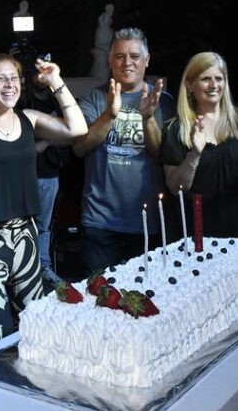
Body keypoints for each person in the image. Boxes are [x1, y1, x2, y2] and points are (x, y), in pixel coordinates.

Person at [0, 52, 88, 351]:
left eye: (14, 78)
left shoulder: (29, 119)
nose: (10, 84)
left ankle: (27, 385)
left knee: (35, 318)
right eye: (0, 78)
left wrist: (55, 81)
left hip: (23, 231)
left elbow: (77, 130)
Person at [72, 27, 175, 272]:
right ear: (109, 60)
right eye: (119, 56)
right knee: (98, 299)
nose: (127, 62)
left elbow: (161, 153)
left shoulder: (165, 102)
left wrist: (148, 117)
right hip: (99, 222)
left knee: (144, 301)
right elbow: (80, 148)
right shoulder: (93, 99)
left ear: (147, 60)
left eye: (134, 56)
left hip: (146, 223)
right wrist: (109, 114)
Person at [160, 51, 238, 240]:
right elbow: (175, 187)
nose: (214, 85)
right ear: (189, 85)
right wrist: (195, 153)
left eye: (219, 78)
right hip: (197, 235)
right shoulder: (176, 129)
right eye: (205, 79)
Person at [21, 70, 72, 286]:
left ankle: (43, 268)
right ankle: (21, 272)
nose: (40, 77)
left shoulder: (53, 102)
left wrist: (47, 139)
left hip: (49, 174)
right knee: (20, 225)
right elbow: (23, 144)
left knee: (43, 226)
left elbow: (70, 135)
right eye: (36, 72)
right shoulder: (22, 102)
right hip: (24, 174)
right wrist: (48, 138)